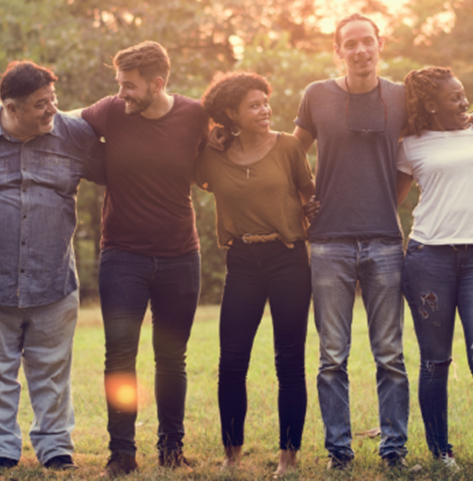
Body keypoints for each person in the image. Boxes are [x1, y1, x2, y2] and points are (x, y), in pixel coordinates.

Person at [0, 60, 102, 473]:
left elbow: (121, 167)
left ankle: (56, 446)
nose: (52, 110)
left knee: (51, 373)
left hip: (53, 280)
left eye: (53, 100)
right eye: (40, 104)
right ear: (10, 107)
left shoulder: (74, 134)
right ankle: (2, 450)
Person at [80, 41, 209, 476]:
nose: (122, 94)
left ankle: (172, 450)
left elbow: (224, 150)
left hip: (180, 256)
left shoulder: (194, 115)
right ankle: (122, 453)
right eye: (119, 85)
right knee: (120, 356)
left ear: (158, 83)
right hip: (122, 257)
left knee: (172, 357)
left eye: (130, 86)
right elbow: (58, 123)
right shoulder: (112, 111)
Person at [293, 13, 411, 471]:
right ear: (338, 51)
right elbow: (291, 152)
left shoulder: (402, 97)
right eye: (351, 44)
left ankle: (394, 450)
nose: (361, 50)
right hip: (328, 244)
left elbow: (413, 159)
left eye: (368, 41)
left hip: (385, 241)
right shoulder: (316, 96)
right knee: (331, 357)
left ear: (380, 45)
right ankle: (339, 452)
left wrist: (389, 202)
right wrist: (307, 197)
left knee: (391, 355)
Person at [395, 67, 473, 475]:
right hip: (430, 257)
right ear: (431, 104)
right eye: (455, 97)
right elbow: (391, 204)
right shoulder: (409, 145)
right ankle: (440, 452)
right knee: (435, 361)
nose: (465, 102)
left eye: (465, 95)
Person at [194, 72, 314, 476]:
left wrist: (311, 217)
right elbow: (183, 138)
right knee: (231, 361)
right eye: (254, 105)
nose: (264, 110)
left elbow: (309, 195)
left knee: (290, 361)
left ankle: (289, 457)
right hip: (242, 259)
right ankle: (231, 454)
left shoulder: (289, 146)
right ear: (231, 113)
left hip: (288, 257)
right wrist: (211, 133)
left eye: (266, 102)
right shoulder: (211, 155)